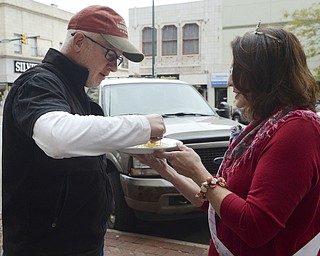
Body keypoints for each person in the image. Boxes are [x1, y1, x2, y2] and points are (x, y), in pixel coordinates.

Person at [134, 26, 320, 256]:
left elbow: (255, 227)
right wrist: (164, 168)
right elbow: (214, 204)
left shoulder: (298, 131)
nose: (230, 82)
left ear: (263, 76)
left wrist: (199, 171)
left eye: (237, 71)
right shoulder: (262, 126)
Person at [2, 5, 165, 256]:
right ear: (79, 41)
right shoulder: (39, 82)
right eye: (111, 55)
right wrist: (143, 125)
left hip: (84, 241)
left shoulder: (75, 89)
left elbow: (82, 144)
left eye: (118, 59)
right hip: (46, 246)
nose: (113, 66)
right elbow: (57, 137)